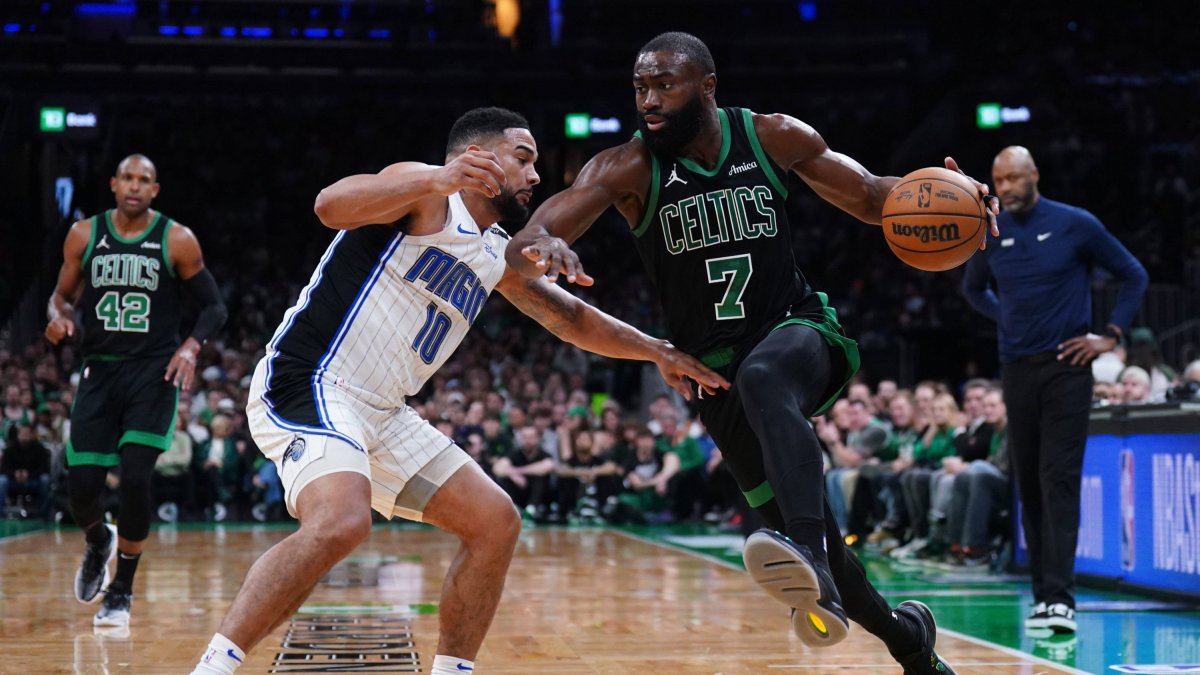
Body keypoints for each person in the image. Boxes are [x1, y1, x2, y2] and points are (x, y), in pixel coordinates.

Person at [507, 31, 999, 673]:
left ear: (707, 86)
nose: (648, 100)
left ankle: (809, 553)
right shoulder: (625, 166)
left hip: (795, 329)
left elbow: (876, 199)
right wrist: (544, 244)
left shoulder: (772, 136)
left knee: (768, 382)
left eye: (664, 85)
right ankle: (908, 640)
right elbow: (527, 240)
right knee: (826, 551)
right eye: (640, 87)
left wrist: (945, 195)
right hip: (711, 373)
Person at [190, 107, 726, 675]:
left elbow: (571, 318)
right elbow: (330, 205)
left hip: (384, 412)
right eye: (524, 158)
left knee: (495, 523)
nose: (536, 175)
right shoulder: (424, 191)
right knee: (343, 522)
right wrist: (437, 176)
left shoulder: (498, 251)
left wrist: (659, 351)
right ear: (479, 156)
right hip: (313, 378)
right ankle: (214, 668)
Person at [963, 145, 1148, 634]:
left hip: (1069, 367)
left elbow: (1134, 275)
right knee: (1028, 481)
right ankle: (1043, 597)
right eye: (998, 180)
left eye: (1013, 179)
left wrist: (1109, 335)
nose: (1004, 189)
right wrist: (1005, 315)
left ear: (1034, 175)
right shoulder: (991, 230)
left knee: (1058, 478)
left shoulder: (1076, 223)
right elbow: (971, 288)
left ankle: (1062, 599)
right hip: (1017, 369)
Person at [45, 154, 228, 628]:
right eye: (127, 177)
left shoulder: (176, 239)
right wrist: (57, 317)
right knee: (82, 488)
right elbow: (60, 295)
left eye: (144, 180)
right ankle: (96, 541)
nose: (134, 185)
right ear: (112, 183)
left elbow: (213, 307)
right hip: (99, 371)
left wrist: (190, 347)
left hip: (153, 373)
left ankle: (121, 591)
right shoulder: (84, 234)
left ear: (154, 190)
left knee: (134, 478)